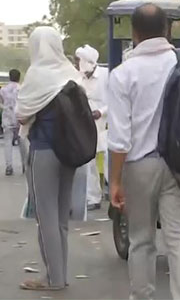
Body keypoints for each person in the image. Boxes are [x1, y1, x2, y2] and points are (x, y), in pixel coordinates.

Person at [108, 4, 180, 300]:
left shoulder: (123, 74)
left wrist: (114, 181)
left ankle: (143, 295)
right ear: (167, 30)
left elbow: (120, 139)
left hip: (139, 166)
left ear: (134, 33)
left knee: (141, 240)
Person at [16, 27, 82, 291]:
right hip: (70, 153)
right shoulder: (71, 73)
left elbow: (22, 115)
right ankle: (59, 274)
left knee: (45, 218)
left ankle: (53, 279)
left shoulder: (37, 75)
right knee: (61, 218)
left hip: (44, 151)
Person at [75, 45, 109, 211]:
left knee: (110, 159)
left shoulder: (105, 75)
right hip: (86, 124)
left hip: (106, 124)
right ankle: (93, 197)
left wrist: (101, 112)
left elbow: (115, 99)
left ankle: (115, 190)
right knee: (90, 161)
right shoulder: (78, 78)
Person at [0, 69, 24, 175]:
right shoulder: (22, 89)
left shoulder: (3, 90)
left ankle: (9, 167)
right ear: (19, 77)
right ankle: (24, 165)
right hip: (20, 118)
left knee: (8, 143)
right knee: (22, 143)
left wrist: (5, 107)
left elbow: (1, 102)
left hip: (7, 118)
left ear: (10, 77)